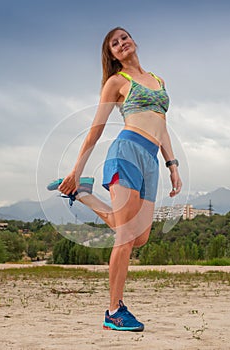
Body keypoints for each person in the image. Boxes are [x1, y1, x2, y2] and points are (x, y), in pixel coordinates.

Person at [58, 27, 182, 331]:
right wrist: (76, 168)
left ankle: (84, 195)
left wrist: (172, 164)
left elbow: (162, 126)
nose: (121, 43)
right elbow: (96, 127)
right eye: (114, 43)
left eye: (124, 38)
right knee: (126, 236)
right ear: (112, 55)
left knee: (140, 236)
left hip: (151, 160)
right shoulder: (117, 82)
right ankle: (113, 310)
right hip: (126, 152)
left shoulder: (158, 81)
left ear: (134, 41)